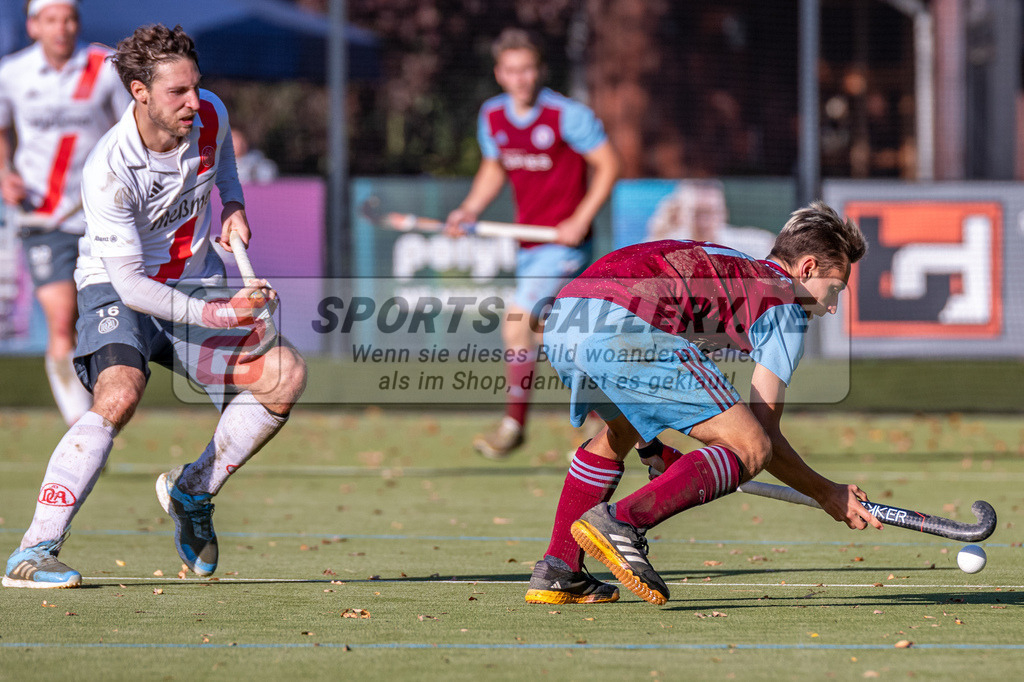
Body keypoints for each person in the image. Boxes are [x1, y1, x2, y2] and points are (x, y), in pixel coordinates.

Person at [2, 24, 306, 589]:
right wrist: (219, 314)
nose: (195, 101)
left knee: (283, 377)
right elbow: (133, 286)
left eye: (196, 86)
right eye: (178, 93)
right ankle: (33, 551)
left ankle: (193, 492)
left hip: (196, 281)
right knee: (118, 393)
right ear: (140, 92)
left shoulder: (209, 112)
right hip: (120, 291)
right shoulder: (110, 169)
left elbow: (226, 166)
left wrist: (234, 205)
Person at [524, 201, 881, 605]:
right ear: (808, 268)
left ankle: (559, 569)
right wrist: (827, 493)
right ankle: (623, 521)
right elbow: (765, 440)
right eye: (834, 290)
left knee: (622, 429)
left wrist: (652, 446)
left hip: (565, 319)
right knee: (751, 446)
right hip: (620, 323)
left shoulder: (733, 268)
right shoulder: (784, 302)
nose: (831, 307)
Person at [445, 28, 619, 460]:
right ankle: (618, 423)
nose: (521, 79)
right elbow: (494, 169)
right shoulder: (493, 117)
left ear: (538, 70)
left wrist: (579, 218)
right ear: (499, 74)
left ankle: (514, 425)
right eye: (512, 71)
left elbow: (608, 164)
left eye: (528, 69)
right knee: (561, 337)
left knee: (518, 322)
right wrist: (469, 209)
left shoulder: (567, 116)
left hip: (563, 246)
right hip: (529, 244)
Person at [0, 0, 131, 425]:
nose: (63, 27)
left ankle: (107, 396)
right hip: (43, 216)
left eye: (69, 18)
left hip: (100, 214)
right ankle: (83, 427)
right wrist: (5, 172)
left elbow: (128, 129)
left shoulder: (103, 67)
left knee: (99, 315)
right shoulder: (12, 74)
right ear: (33, 26)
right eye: (52, 19)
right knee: (61, 319)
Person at [645, 179, 776, 259]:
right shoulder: (667, 244)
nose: (704, 223)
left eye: (711, 213)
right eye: (697, 213)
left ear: (724, 213)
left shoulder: (743, 242)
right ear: (681, 215)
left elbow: (776, 247)